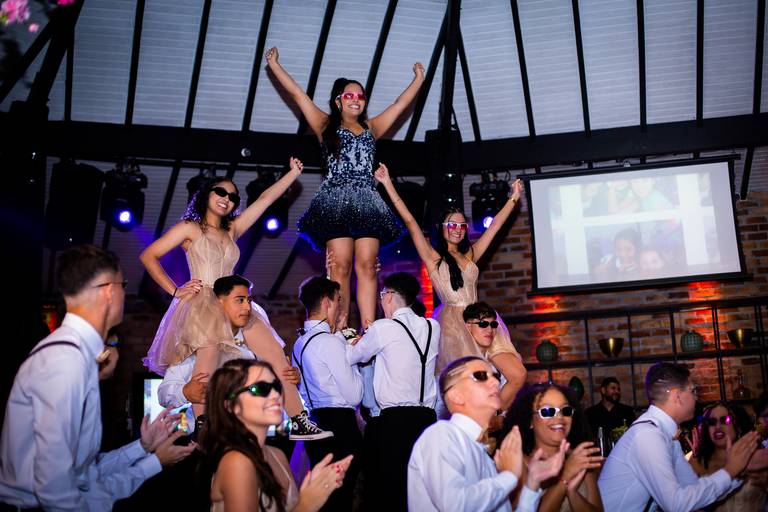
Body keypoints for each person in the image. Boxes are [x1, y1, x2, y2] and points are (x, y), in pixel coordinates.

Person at [140, 160, 329, 440]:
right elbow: (148, 255)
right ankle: (203, 423)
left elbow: (264, 200)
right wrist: (175, 290)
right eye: (221, 192)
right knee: (207, 360)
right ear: (207, 194)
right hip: (204, 300)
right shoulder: (190, 228)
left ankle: (298, 420)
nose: (227, 199)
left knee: (274, 353)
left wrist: (292, 174)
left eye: (233, 197)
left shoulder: (233, 230)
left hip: (234, 298)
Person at [0, 245, 194, 510]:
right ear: (110, 291)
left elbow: (83, 475)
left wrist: (143, 448)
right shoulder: (64, 362)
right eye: (124, 285)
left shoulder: (74, 355)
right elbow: (55, 491)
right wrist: (154, 462)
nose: (124, 294)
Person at [265, 46, 424, 330]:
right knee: (340, 266)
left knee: (367, 266)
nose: (356, 100)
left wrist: (418, 79)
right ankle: (339, 327)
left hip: (367, 201)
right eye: (349, 95)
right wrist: (274, 65)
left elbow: (399, 105)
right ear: (338, 101)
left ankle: (368, 327)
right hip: (335, 200)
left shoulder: (372, 128)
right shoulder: (325, 124)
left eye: (360, 96)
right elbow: (298, 95)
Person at [374, 163, 524, 373]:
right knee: (469, 375)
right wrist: (387, 183)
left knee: (516, 373)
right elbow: (410, 221)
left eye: (462, 226)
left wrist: (514, 197)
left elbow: (495, 225)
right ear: (442, 228)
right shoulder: (433, 258)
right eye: (452, 225)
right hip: (454, 324)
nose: (458, 230)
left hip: (479, 317)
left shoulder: (471, 254)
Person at [408, 356, 568, 512]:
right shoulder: (441, 435)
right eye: (480, 376)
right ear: (456, 396)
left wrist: (532, 483)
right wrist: (509, 476)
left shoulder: (485, 458)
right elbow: (455, 505)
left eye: (496, 376)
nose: (496, 382)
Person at [598, 362, 760, 511]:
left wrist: (736, 472)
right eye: (693, 391)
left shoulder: (667, 437)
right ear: (677, 396)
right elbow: (676, 505)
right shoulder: (648, 436)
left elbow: (692, 489)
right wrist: (729, 471)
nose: (696, 398)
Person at [200, 359, 353, 512]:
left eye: (277, 386)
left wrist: (315, 488)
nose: (275, 394)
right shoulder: (237, 462)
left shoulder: (276, 455)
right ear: (230, 405)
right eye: (261, 388)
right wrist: (306, 504)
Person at [157, 275, 301, 432]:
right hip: (209, 437)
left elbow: (274, 388)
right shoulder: (196, 346)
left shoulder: (259, 346)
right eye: (240, 300)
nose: (248, 307)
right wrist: (184, 392)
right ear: (218, 304)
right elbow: (164, 393)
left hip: (252, 435)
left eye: (249, 300)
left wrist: (292, 378)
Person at [346, 272, 439, 511]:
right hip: (427, 420)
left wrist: (355, 341)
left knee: (392, 488)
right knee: (422, 488)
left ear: (389, 296)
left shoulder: (383, 327)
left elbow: (352, 356)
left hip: (395, 421)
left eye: (381, 296)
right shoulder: (433, 326)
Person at [292, 276, 364, 510]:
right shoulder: (330, 342)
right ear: (326, 302)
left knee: (324, 498)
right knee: (341, 498)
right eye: (338, 300)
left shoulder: (299, 343)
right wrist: (353, 359)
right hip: (340, 426)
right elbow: (354, 396)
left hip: (314, 422)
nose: (339, 307)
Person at [502, 382, 603, 511]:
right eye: (547, 411)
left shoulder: (580, 457)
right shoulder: (517, 464)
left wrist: (572, 493)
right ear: (530, 421)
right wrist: (565, 477)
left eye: (565, 410)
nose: (559, 417)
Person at [688, 401, 768, 511]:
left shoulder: (758, 457)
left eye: (725, 420)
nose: (718, 426)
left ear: (738, 425)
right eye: (712, 422)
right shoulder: (696, 462)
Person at [463, 301, 526, 412]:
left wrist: (497, 414)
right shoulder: (461, 362)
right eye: (483, 324)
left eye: (493, 325)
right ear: (468, 326)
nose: (490, 330)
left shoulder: (495, 361)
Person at [585, 377, 635, 445]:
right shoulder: (591, 413)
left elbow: (633, 435)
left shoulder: (627, 411)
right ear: (603, 390)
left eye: (618, 389)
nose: (617, 392)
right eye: (613, 388)